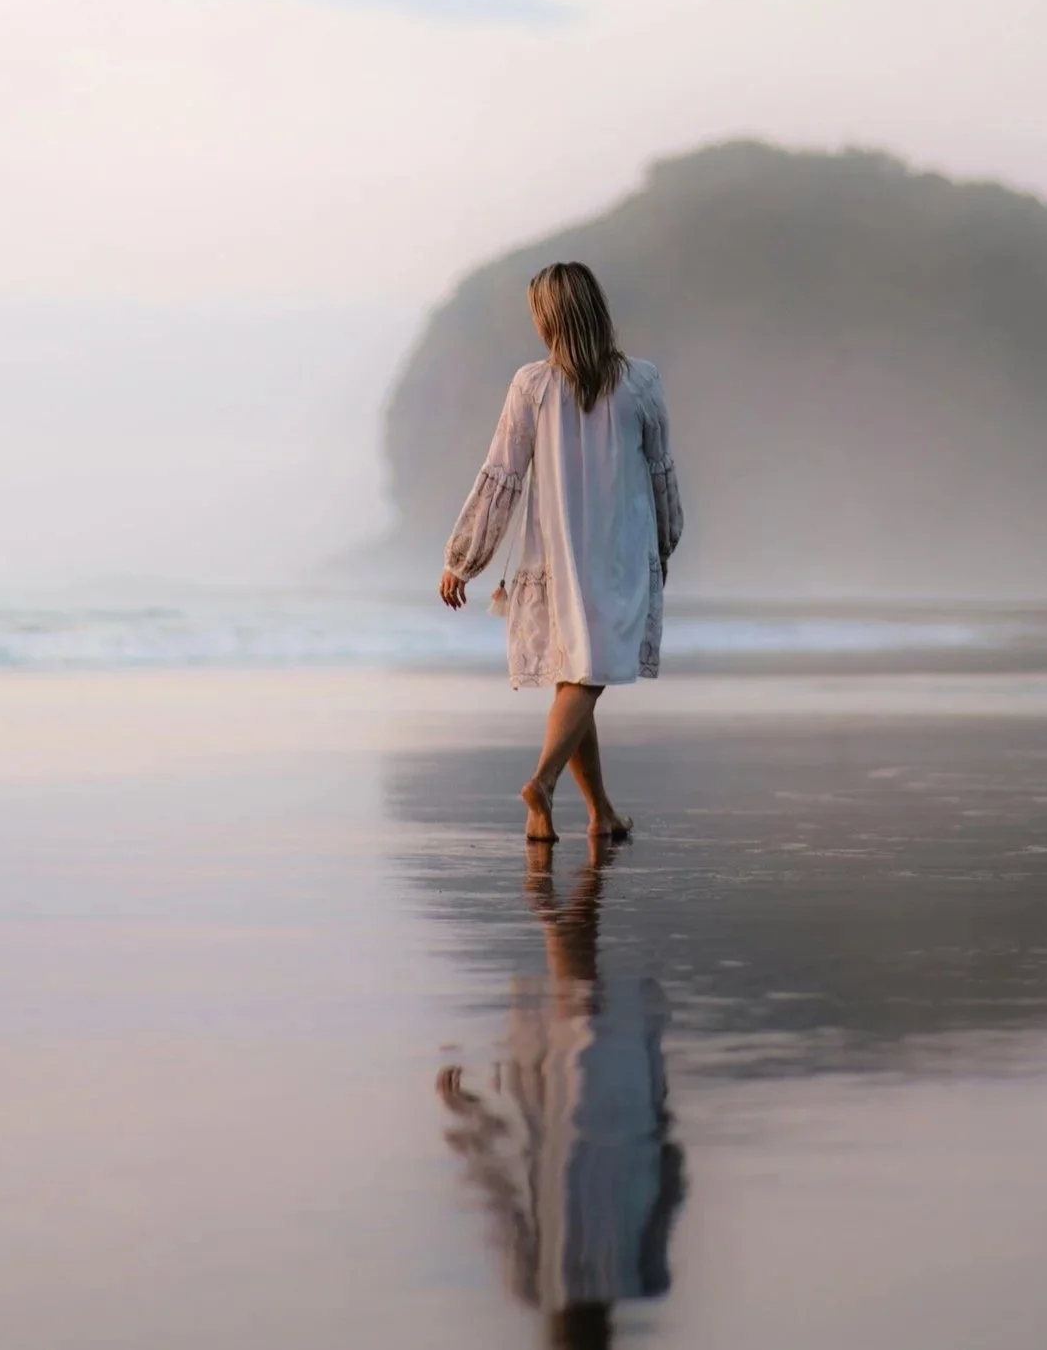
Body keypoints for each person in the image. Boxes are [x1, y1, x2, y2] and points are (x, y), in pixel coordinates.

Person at [439, 261, 683, 843]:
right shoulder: (641, 382)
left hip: (554, 553)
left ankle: (600, 813)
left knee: (577, 674)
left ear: (550, 320)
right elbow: (661, 475)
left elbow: (501, 475)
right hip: (618, 554)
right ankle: (542, 783)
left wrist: (463, 559)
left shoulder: (533, 385)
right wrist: (666, 542)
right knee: (587, 676)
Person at [435, 837, 684, 1347]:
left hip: (622, 1095)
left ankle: (581, 831)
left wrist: (660, 1105)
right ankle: (571, 838)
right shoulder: (534, 1285)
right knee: (574, 966)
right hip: (573, 1098)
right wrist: (465, 1118)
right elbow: (499, 1193)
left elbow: (671, 1179)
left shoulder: (648, 1277)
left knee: (579, 967)